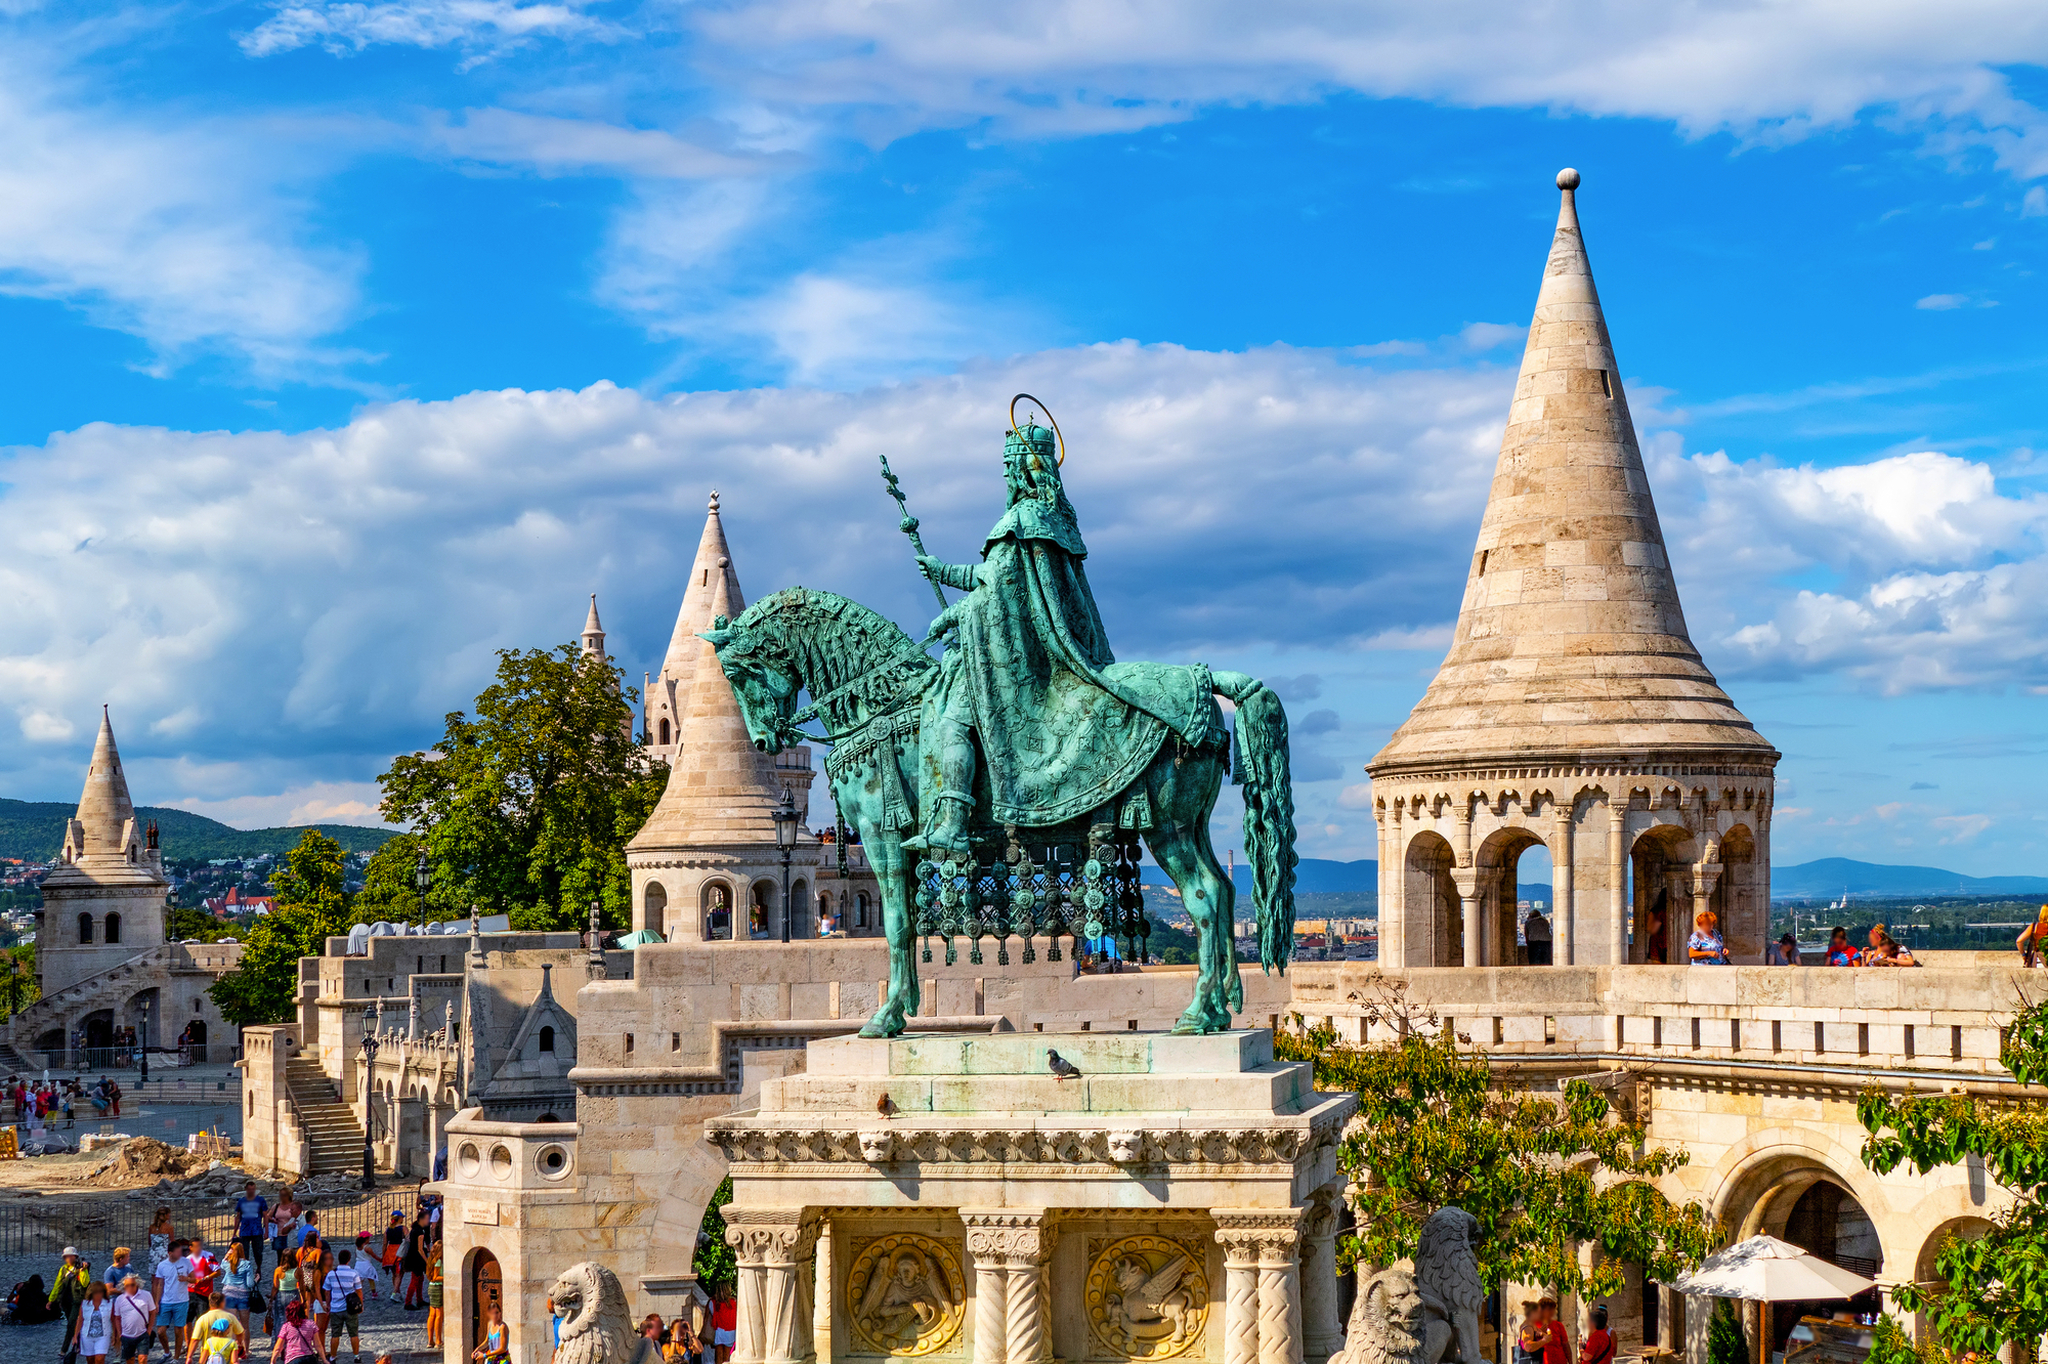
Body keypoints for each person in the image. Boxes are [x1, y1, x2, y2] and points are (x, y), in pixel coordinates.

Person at [899, 415, 1214, 859]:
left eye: (1009, 470)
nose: (1007, 479)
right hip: (1047, 646)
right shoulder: (1058, 520)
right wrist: (943, 571)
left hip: (1022, 659)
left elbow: (1000, 594)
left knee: (953, 717)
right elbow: (1003, 582)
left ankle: (951, 825)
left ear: (1021, 471)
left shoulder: (1021, 518)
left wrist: (953, 614)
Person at [155, 1239, 196, 1362]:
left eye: (181, 1251)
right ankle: (167, 1352)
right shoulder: (162, 1266)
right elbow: (160, 1285)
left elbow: (194, 1279)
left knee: (178, 1330)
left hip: (182, 1301)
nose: (180, 1254)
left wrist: (187, 1279)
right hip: (166, 1301)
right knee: (161, 1331)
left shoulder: (187, 1262)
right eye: (178, 1252)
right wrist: (156, 1302)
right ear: (170, 1253)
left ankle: (176, 1358)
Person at [54, 1247, 95, 1364]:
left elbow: (85, 1283)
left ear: (75, 1257)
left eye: (69, 1256)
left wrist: (83, 1271)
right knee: (72, 1325)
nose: (67, 1258)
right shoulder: (63, 1270)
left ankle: (64, 1349)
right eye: (65, 1257)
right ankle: (78, 1345)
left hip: (77, 1301)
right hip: (65, 1302)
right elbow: (57, 1285)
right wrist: (52, 1300)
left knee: (71, 1324)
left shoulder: (82, 1268)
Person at [321, 1249, 362, 1364]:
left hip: (335, 1308)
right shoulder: (354, 1273)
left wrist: (328, 1305)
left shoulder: (331, 1274)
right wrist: (361, 1305)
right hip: (351, 1309)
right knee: (353, 1334)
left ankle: (333, 1357)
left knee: (335, 1334)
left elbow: (327, 1292)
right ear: (349, 1259)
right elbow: (359, 1291)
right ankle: (356, 1356)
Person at [185, 1294, 245, 1364]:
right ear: (222, 1303)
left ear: (210, 1303)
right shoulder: (231, 1317)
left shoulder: (203, 1318)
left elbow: (195, 1340)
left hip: (209, 1356)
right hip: (227, 1357)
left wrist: (189, 1357)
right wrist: (240, 1343)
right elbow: (240, 1333)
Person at [113, 1276, 156, 1364]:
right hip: (126, 1335)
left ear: (137, 1284)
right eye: (127, 1285)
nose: (130, 1287)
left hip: (142, 1333)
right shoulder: (119, 1299)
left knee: (143, 1359)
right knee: (130, 1360)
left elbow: (152, 1312)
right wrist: (120, 1333)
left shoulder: (146, 1295)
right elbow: (117, 1318)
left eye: (132, 1285)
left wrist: (149, 1330)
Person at [221, 1245, 259, 1336]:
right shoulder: (247, 1264)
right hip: (243, 1296)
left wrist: (226, 1255)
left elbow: (221, 1264)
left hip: (229, 1295)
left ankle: (233, 1348)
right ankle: (245, 1349)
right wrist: (256, 1279)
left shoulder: (227, 1264)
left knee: (231, 1324)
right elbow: (250, 1284)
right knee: (245, 1326)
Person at [76, 1282, 117, 1364]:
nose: (98, 1295)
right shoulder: (85, 1304)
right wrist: (75, 1336)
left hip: (103, 1336)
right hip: (87, 1336)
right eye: (96, 1292)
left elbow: (113, 1320)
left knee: (99, 1359)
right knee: (90, 1360)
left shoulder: (109, 1304)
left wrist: (114, 1335)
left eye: (100, 1292)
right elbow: (80, 1320)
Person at [234, 1184, 269, 1273]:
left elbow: (265, 1215)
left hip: (257, 1231)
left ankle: (258, 1268)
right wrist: (235, 1232)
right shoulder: (241, 1201)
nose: (251, 1191)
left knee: (258, 1252)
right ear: (246, 1189)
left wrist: (266, 1231)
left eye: (253, 1189)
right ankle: (246, 1270)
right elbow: (238, 1217)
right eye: (249, 1189)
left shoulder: (260, 1200)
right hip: (244, 1231)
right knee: (244, 1253)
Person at [423, 1242, 443, 1351]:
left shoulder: (430, 1259)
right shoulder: (438, 1261)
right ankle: (438, 1340)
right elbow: (435, 1277)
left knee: (432, 1314)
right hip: (437, 1288)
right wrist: (447, 1277)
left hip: (431, 1287)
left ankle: (430, 1340)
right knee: (439, 1315)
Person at [710, 1287, 736, 1364]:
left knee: (719, 1356)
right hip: (730, 1331)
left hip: (718, 1331)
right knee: (727, 1357)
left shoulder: (713, 1302)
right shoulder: (734, 1302)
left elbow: (711, 1313)